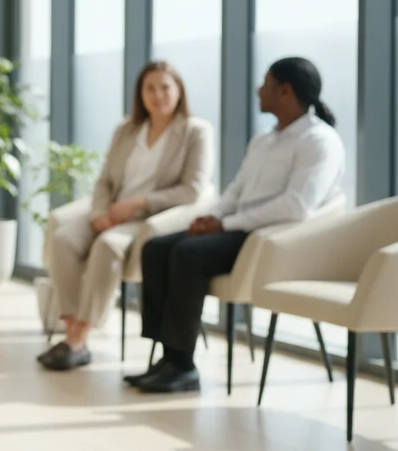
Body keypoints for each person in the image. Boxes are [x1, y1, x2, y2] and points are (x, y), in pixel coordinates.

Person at [131, 56, 345, 393]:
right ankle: (167, 356)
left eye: (266, 83)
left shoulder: (320, 142)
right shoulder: (264, 140)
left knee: (187, 254)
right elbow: (236, 190)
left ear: (285, 91)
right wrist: (213, 217)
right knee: (156, 248)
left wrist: (227, 223)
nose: (260, 90)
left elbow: (296, 206)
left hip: (270, 236)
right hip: (235, 228)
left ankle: (183, 366)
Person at [38, 61, 214, 370]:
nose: (158, 95)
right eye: (150, 88)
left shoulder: (195, 131)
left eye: (165, 87)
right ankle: (69, 329)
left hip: (147, 218)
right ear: (140, 94)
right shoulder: (127, 129)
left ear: (179, 90)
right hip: (110, 211)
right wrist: (98, 213)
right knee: (63, 239)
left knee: (108, 245)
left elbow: (192, 190)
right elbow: (104, 180)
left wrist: (138, 203)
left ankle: (79, 339)